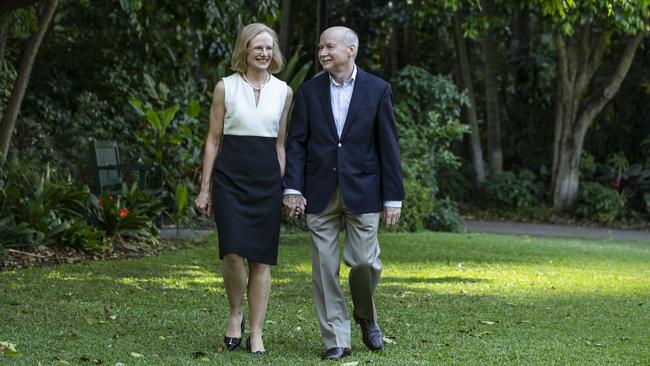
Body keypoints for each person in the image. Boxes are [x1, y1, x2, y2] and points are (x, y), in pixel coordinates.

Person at [283, 26, 404, 361]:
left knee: (365, 261)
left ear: (352, 49)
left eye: (330, 47)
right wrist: (292, 188)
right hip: (318, 191)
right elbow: (297, 144)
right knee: (324, 267)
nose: (323, 52)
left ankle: (364, 313)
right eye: (320, 46)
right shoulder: (308, 92)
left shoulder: (377, 89)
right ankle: (336, 339)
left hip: (364, 189)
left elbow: (388, 146)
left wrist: (393, 197)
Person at [195, 23, 292, 355]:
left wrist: (283, 187)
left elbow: (280, 144)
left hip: (267, 182)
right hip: (229, 180)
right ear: (245, 51)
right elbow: (212, 139)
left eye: (269, 48)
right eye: (257, 47)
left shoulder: (284, 91)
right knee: (233, 251)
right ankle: (235, 314)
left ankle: (257, 331)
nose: (264, 53)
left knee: (261, 260)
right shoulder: (225, 87)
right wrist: (205, 188)